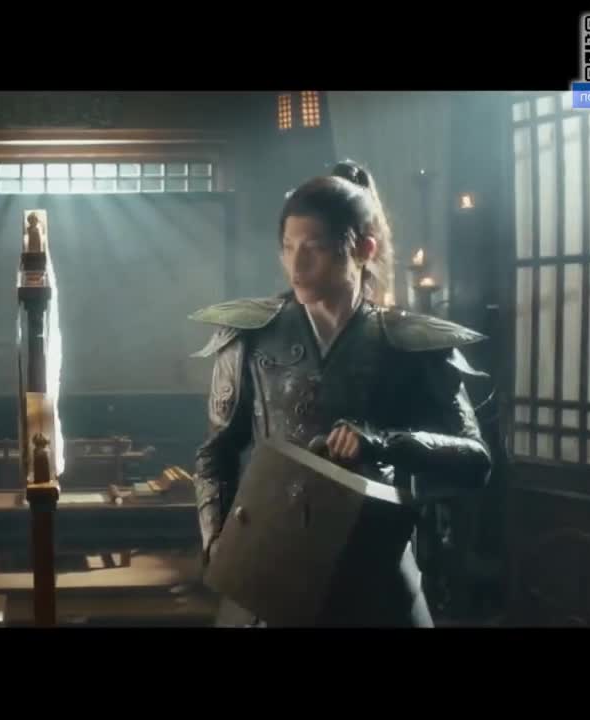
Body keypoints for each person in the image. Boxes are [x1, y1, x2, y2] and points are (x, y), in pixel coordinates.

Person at [189, 160, 492, 627]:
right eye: (288, 247)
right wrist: (219, 546)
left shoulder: (411, 342)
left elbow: (475, 459)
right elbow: (215, 455)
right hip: (269, 560)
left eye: (313, 248)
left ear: (363, 248)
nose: (296, 265)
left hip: (377, 563)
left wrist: (384, 443)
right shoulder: (250, 335)